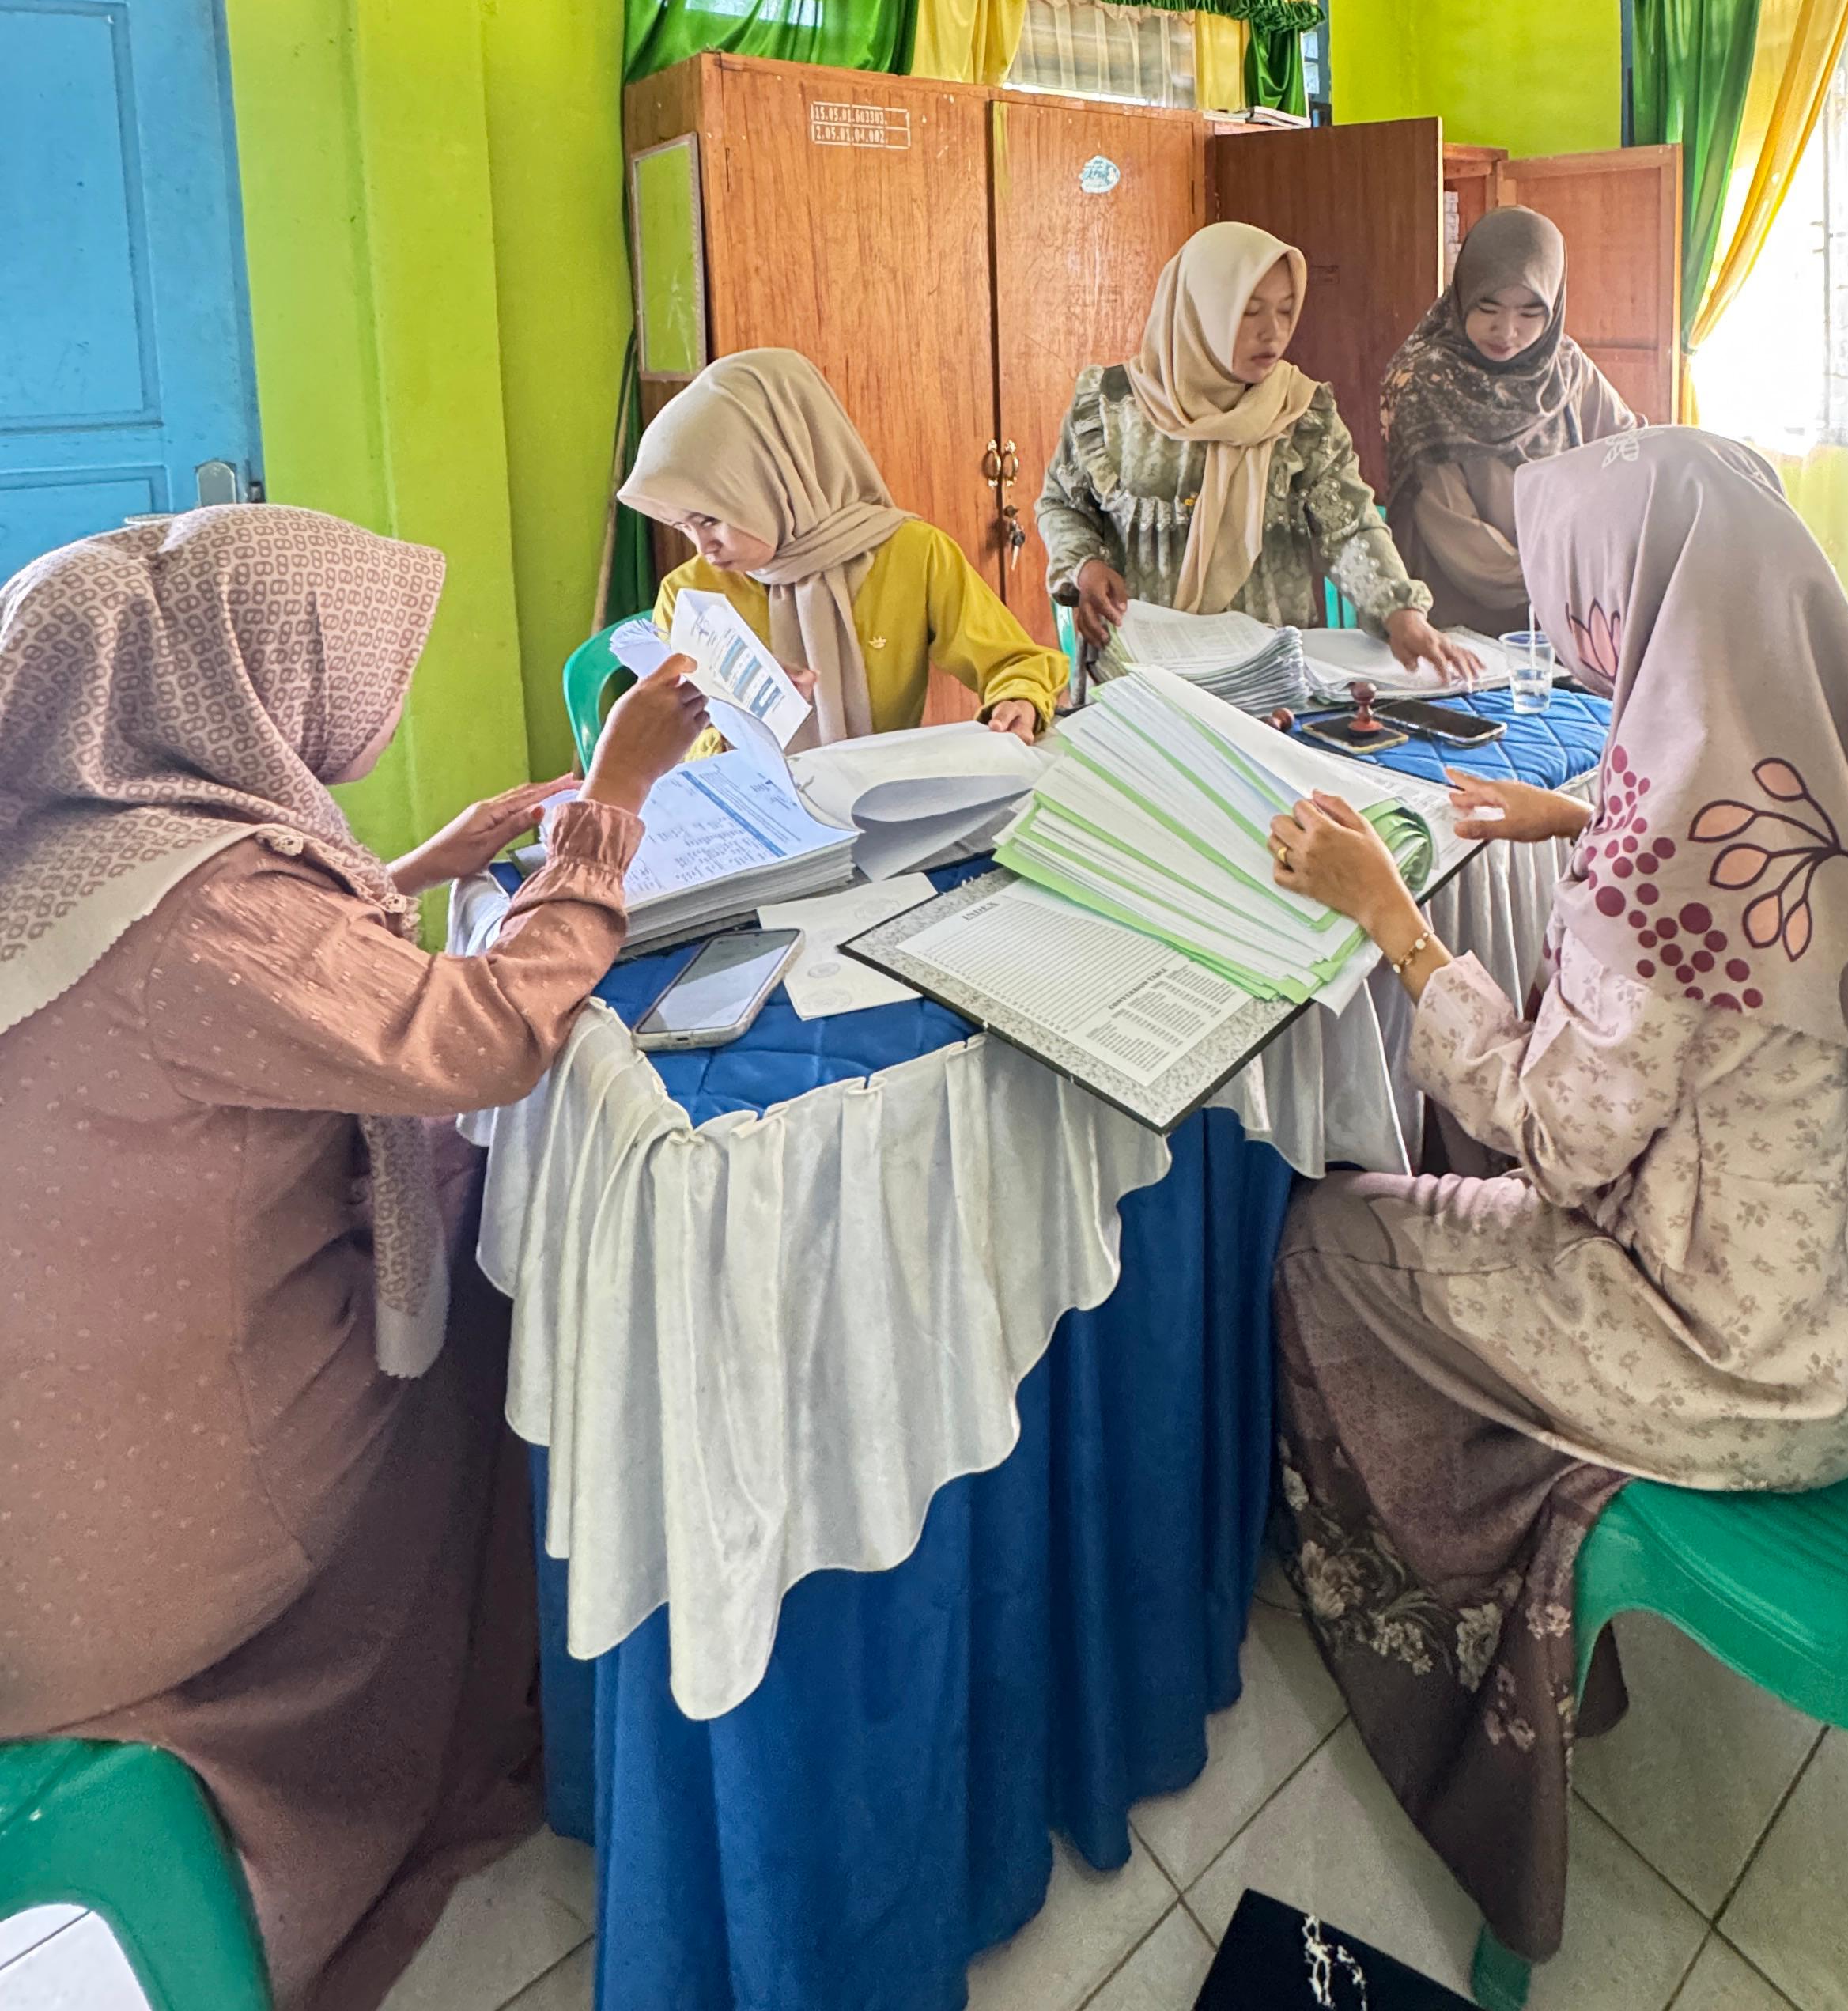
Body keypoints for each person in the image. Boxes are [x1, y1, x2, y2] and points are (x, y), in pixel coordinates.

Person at [1260, 430, 1848, 1965]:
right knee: (1448, 1176)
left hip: (1754, 1368)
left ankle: (1456, 1578)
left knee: (1334, 1237)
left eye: (1577, 601)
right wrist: (1571, 815)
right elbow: (1696, 860)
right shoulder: (1813, 734)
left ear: (1638, 601)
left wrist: (1394, 925)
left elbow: (1554, 1135)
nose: (1565, 631)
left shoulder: (1659, 866)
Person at [0, 504, 706, 2011]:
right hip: (157, 1515)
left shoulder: (68, 837)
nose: (357, 715)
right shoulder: (206, 911)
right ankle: (474, 1721)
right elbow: (483, 1038)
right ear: (232, 690)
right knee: (500, 1277)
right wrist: (611, 806)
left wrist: (411, 864)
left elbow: (237, 972)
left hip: (55, 1433)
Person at [1037, 220, 1476, 678]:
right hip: (1142, 676)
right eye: (1250, 311)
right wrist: (1086, 566)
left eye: (1287, 310)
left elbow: (1349, 526)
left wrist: (1399, 610)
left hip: (1266, 677)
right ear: (1198, 309)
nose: (1273, 332)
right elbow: (1063, 506)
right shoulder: (1110, 408)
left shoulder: (1300, 414)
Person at [620, 350, 1065, 743]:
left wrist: (1018, 699)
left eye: (711, 519)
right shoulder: (691, 595)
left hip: (882, 810)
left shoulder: (912, 555)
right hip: (753, 817)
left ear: (780, 481)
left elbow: (1012, 661)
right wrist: (744, 725)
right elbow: (672, 745)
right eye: (684, 527)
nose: (704, 547)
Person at [1381, 203, 1636, 633]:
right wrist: (1566, 581)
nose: (1507, 331)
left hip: (1567, 615)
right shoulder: (1423, 381)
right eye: (1488, 306)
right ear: (1464, 292)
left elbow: (1629, 452)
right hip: (1456, 630)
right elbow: (1460, 540)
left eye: (1530, 312)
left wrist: (1614, 561)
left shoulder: (1565, 367)